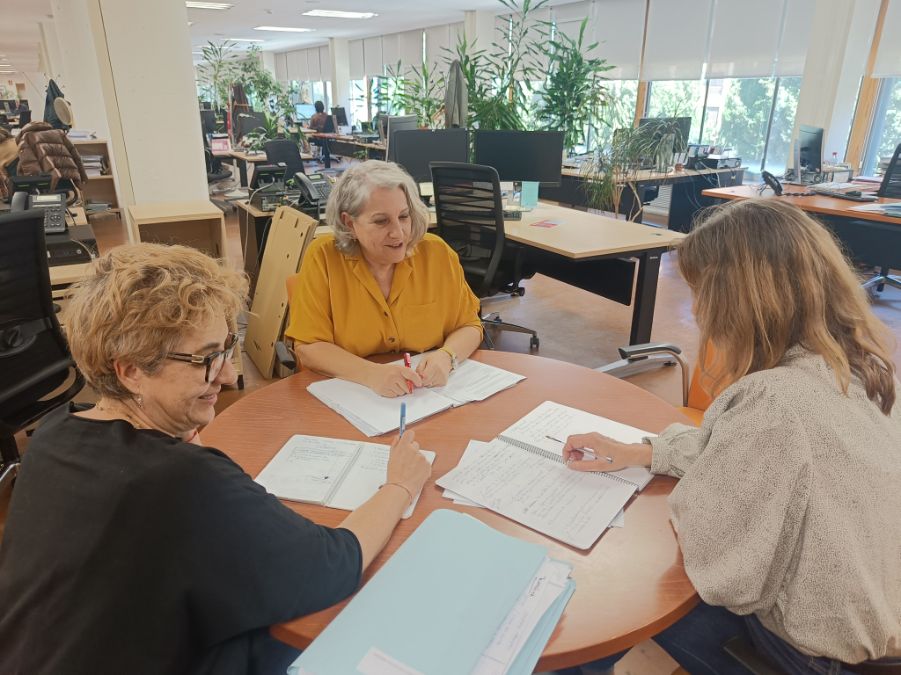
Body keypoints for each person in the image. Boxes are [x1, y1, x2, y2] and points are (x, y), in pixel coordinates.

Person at [0, 243, 431, 675]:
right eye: (205, 359)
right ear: (130, 370)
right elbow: (335, 564)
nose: (226, 375)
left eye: (227, 348)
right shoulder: (182, 481)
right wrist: (399, 485)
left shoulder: (52, 438)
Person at [563, 200, 901, 675]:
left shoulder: (775, 402)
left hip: (811, 660)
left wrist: (690, 499)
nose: (696, 308)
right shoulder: (860, 370)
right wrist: (645, 451)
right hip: (881, 633)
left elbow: (724, 577)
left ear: (734, 300)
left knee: (607, 601)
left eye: (701, 292)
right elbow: (740, 450)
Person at [285, 160, 483, 397]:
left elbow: (470, 325)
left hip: (426, 396)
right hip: (353, 393)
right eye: (381, 221)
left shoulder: (436, 254)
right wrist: (371, 374)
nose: (398, 232)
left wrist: (447, 356)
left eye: (404, 216)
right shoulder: (323, 258)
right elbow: (309, 347)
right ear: (350, 223)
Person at [307, 101, 333, 168]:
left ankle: (308, 155)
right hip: (327, 139)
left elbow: (310, 128)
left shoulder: (314, 117)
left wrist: (307, 127)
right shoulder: (327, 116)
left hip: (318, 139)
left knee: (306, 137)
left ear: (315, 108)